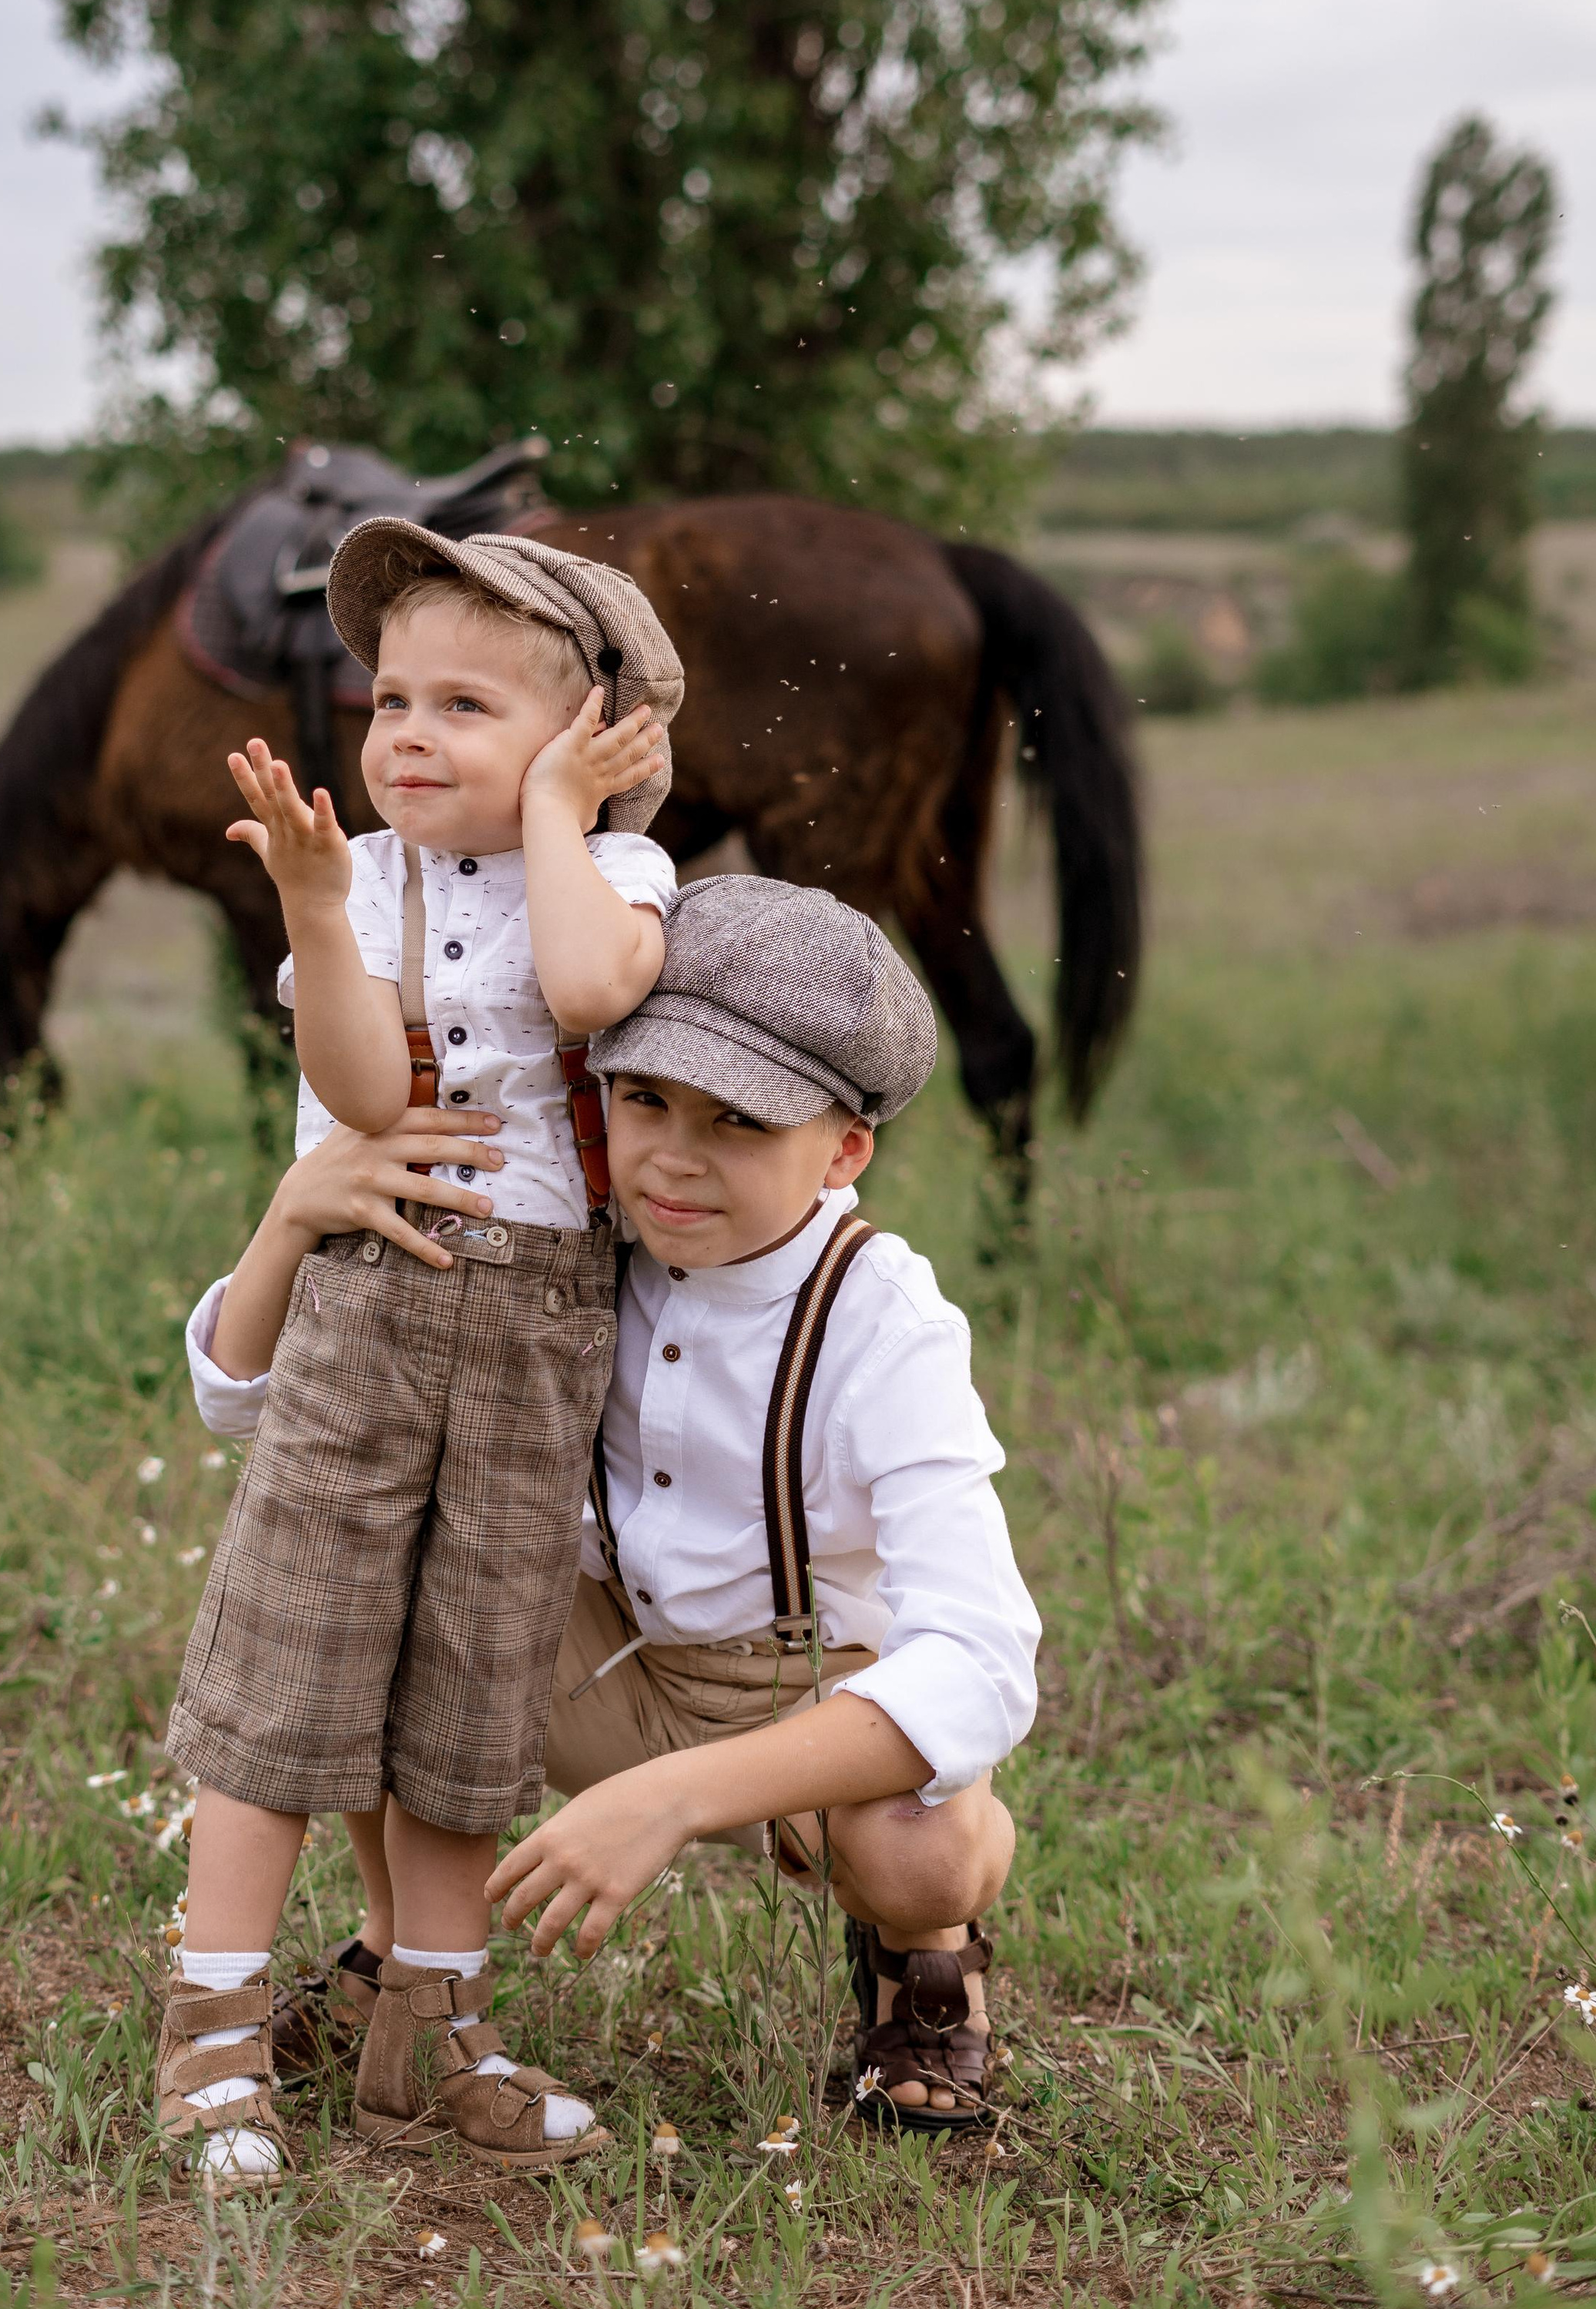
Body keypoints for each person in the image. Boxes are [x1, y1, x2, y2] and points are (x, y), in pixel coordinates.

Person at [186, 875, 1039, 2144]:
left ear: (845, 1151)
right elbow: (246, 1405)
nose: (675, 1159)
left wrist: (676, 1796)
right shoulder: (566, 1240)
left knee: (928, 1849)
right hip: (585, 1649)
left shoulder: (883, 1320)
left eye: (740, 1122)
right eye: (644, 1100)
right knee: (380, 1590)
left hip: (797, 1681)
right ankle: (397, 1948)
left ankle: (924, 1969)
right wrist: (290, 1214)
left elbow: (983, 1662)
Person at [156, 516, 683, 2187]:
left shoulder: (621, 880)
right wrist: (320, 912)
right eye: (391, 699)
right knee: (288, 1667)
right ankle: (215, 2027)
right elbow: (367, 1093)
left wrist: (555, 819)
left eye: (464, 705)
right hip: (367, 1308)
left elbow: (589, 994)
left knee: (473, 1689)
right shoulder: (364, 876)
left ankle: (431, 2029)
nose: (406, 733)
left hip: (536, 1332)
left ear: (591, 738)